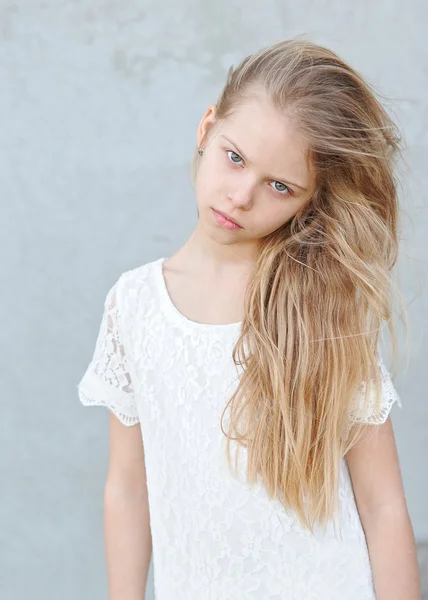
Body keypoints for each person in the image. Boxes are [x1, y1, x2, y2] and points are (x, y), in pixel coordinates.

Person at [77, 38, 421, 600]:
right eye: (234, 158)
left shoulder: (322, 311)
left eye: (279, 186)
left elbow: (382, 506)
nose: (240, 197)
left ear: (307, 204)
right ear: (207, 128)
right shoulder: (133, 307)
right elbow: (128, 488)